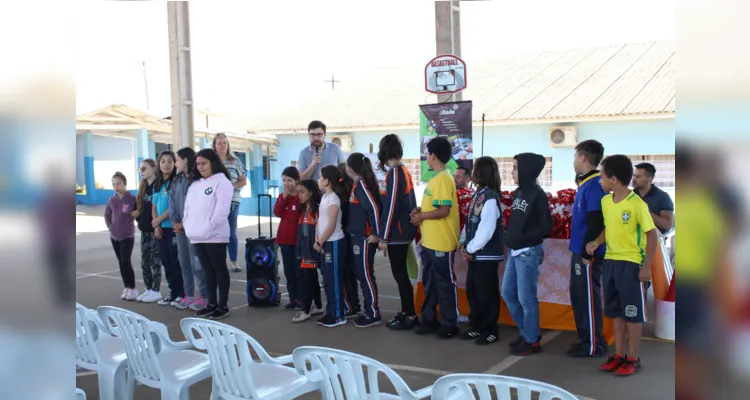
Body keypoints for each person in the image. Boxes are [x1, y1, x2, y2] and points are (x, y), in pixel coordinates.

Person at [586, 154, 658, 376]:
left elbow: (652, 236)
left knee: (632, 314)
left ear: (614, 179)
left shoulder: (637, 204)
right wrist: (596, 242)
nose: (600, 180)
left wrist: (646, 267)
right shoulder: (606, 201)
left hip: (632, 264)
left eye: (602, 176)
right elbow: (609, 228)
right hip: (611, 262)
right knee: (616, 312)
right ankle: (618, 355)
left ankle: (633, 358)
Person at [502, 152, 553, 356]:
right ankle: (527, 332)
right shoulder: (519, 193)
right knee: (508, 293)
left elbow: (546, 225)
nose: (512, 172)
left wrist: (523, 237)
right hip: (515, 251)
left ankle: (532, 340)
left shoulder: (537, 194)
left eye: (515, 168)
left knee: (526, 298)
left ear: (526, 170)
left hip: (528, 253)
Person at [410, 137, 461, 339]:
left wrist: (421, 216)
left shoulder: (442, 179)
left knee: (444, 283)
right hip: (430, 241)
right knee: (430, 281)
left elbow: (444, 210)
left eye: (427, 154)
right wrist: (420, 211)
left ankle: (450, 323)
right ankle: (429, 318)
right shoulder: (435, 178)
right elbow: (435, 207)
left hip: (441, 241)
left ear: (433, 155)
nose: (426, 158)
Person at [567, 140, 608, 357]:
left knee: (589, 298)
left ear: (583, 158)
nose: (573, 161)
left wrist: (587, 250)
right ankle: (586, 338)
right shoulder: (585, 183)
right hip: (579, 249)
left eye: (575, 156)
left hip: (588, 252)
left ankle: (593, 344)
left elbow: (596, 221)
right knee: (579, 296)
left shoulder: (594, 185)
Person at [184, 148, 234, 320]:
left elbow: (222, 211)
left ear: (213, 163)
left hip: (215, 235)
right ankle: (211, 303)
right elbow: (188, 209)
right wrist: (188, 226)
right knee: (207, 271)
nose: (200, 167)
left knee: (219, 269)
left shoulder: (222, 182)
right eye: (197, 164)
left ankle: (223, 305)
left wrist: (209, 226)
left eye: (203, 163)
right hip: (197, 235)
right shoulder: (195, 184)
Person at [459, 157, 504, 346]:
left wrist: (470, 248)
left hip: (486, 254)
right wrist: (463, 242)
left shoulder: (491, 197)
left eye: (476, 168)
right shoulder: (479, 194)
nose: (473, 172)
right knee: (473, 290)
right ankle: (476, 325)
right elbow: (471, 222)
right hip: (475, 254)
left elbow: (486, 229)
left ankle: (490, 328)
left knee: (487, 293)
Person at [377, 134, 419, 330]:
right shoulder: (402, 171)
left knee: (400, 275)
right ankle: (407, 311)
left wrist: (383, 237)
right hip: (403, 232)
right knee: (401, 274)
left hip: (398, 234)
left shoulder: (395, 173)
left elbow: (391, 206)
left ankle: (410, 315)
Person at [345, 153, 383, 328]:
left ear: (350, 168)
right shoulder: (357, 185)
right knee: (362, 274)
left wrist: (375, 233)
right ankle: (369, 310)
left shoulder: (361, 185)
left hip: (364, 239)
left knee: (366, 275)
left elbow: (373, 209)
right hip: (357, 237)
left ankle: (373, 313)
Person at [169, 147, 208, 311]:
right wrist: (175, 222)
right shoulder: (176, 180)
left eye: (176, 159)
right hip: (179, 229)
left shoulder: (196, 180)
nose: (175, 162)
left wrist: (186, 223)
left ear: (185, 160)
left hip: (193, 229)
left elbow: (197, 205)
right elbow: (172, 202)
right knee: (184, 262)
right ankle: (189, 295)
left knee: (197, 263)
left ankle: (205, 297)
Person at [314, 165, 349, 327]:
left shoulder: (334, 199)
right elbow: (320, 222)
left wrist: (320, 241)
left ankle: (338, 315)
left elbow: (332, 225)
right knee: (327, 280)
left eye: (320, 178)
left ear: (327, 181)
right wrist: (318, 239)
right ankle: (330, 311)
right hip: (325, 243)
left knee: (334, 280)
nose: (318, 180)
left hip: (334, 243)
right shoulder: (324, 198)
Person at [151, 151, 184, 306]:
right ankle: (173, 292)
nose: (166, 164)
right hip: (160, 229)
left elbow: (173, 207)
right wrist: (156, 225)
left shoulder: (176, 182)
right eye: (163, 161)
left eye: (170, 161)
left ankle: (181, 293)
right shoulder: (157, 184)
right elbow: (153, 206)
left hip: (172, 228)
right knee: (166, 261)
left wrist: (158, 220)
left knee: (175, 261)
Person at [292, 179, 326, 322]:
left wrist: (318, 245)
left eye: (302, 192)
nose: (299, 195)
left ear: (311, 193)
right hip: (306, 249)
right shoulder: (303, 209)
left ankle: (305, 310)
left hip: (315, 249)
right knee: (310, 278)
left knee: (310, 280)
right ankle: (317, 305)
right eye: (298, 192)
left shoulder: (317, 209)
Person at [213, 132, 247, 272]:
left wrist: (229, 188)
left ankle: (233, 261)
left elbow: (243, 180)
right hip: (214, 203)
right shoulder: (211, 162)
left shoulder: (235, 161)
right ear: (214, 145)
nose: (223, 145)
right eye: (219, 143)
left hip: (232, 201)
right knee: (216, 232)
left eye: (225, 143)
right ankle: (217, 262)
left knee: (231, 233)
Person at [104, 172, 138, 301]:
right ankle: (127, 287)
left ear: (124, 184)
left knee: (125, 261)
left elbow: (139, 211)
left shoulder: (131, 199)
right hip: (115, 236)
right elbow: (107, 214)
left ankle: (133, 288)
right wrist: (110, 226)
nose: (116, 186)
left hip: (127, 236)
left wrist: (137, 212)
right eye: (114, 184)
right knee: (121, 263)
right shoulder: (112, 200)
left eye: (118, 183)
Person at [134, 159, 163, 303]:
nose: (142, 171)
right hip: (144, 229)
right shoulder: (143, 187)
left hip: (155, 229)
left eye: (144, 168)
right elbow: (138, 206)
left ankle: (156, 290)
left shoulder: (159, 186)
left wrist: (157, 224)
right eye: (140, 169)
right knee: (144, 261)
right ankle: (148, 289)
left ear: (153, 168)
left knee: (155, 261)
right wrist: (139, 219)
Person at [274, 166, 303, 310]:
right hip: (284, 239)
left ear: (297, 181)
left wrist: (296, 195)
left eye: (290, 180)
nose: (286, 183)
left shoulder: (301, 197)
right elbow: (277, 212)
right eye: (284, 180)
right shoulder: (282, 196)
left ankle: (302, 299)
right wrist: (284, 198)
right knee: (289, 271)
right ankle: (292, 299)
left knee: (299, 271)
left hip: (297, 239)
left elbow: (300, 213)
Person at [339, 163, 362, 318]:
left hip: (345, 236)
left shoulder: (342, 194)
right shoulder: (351, 190)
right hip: (350, 235)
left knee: (346, 272)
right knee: (350, 273)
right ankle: (353, 304)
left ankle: (351, 305)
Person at [631, 162, 674, 234]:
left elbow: (667, 224)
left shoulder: (662, 197)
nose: (633, 180)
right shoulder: (630, 196)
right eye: (633, 176)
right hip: (632, 239)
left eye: (638, 177)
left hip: (655, 240)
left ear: (650, 179)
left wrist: (646, 213)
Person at [454, 166, 474, 231]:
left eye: (458, 177)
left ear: (467, 179)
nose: (454, 179)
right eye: (454, 176)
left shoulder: (473, 195)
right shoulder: (450, 192)